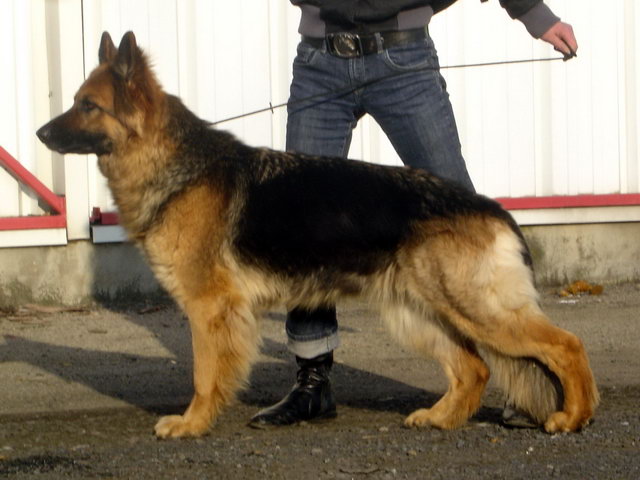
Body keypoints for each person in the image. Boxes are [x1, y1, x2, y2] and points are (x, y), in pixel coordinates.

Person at [248, 0, 578, 428]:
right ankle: (313, 382)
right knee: (305, 229)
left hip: (403, 56)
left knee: (465, 219)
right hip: (318, 59)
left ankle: (536, 382)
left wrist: (535, 14)